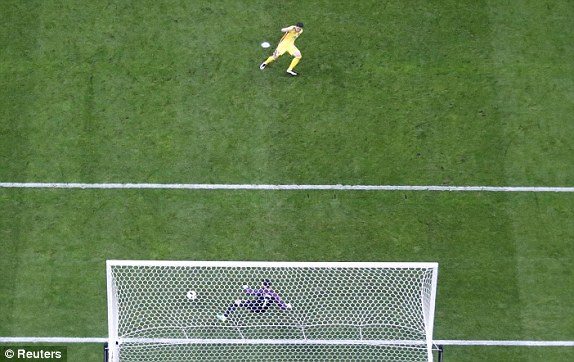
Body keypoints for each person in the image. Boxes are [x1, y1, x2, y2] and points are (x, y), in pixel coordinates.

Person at [216, 279, 292, 322]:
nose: (261, 285)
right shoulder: (273, 294)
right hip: (262, 310)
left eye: (262, 284)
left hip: (255, 306)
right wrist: (287, 306)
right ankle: (225, 316)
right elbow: (280, 304)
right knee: (243, 301)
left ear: (264, 285)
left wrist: (246, 287)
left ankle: (224, 317)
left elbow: (251, 292)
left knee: (236, 302)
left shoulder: (262, 291)